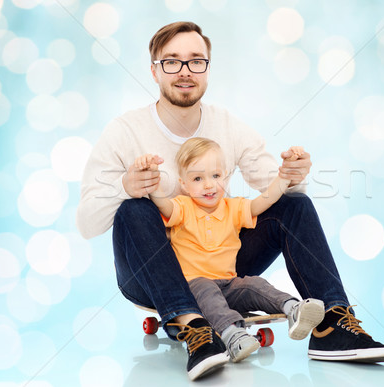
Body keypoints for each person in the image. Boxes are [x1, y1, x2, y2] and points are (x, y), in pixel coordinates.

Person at [76, 21, 384, 381]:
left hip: (218, 265)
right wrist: (126, 185)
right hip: (150, 274)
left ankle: (332, 326)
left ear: (208, 69)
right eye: (172, 62)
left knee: (295, 204)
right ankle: (195, 329)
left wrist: (293, 173)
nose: (185, 71)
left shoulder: (227, 124)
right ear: (154, 71)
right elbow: (88, 224)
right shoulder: (125, 130)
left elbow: (279, 194)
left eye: (196, 61)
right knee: (134, 208)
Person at [135, 138, 326, 364]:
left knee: (254, 284)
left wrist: (284, 177)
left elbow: (264, 201)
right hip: (194, 287)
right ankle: (232, 334)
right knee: (206, 288)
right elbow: (162, 205)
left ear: (225, 177)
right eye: (198, 178)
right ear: (184, 184)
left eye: (216, 176)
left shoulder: (232, 207)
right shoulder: (182, 207)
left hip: (229, 283)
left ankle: (293, 307)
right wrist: (152, 179)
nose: (209, 185)